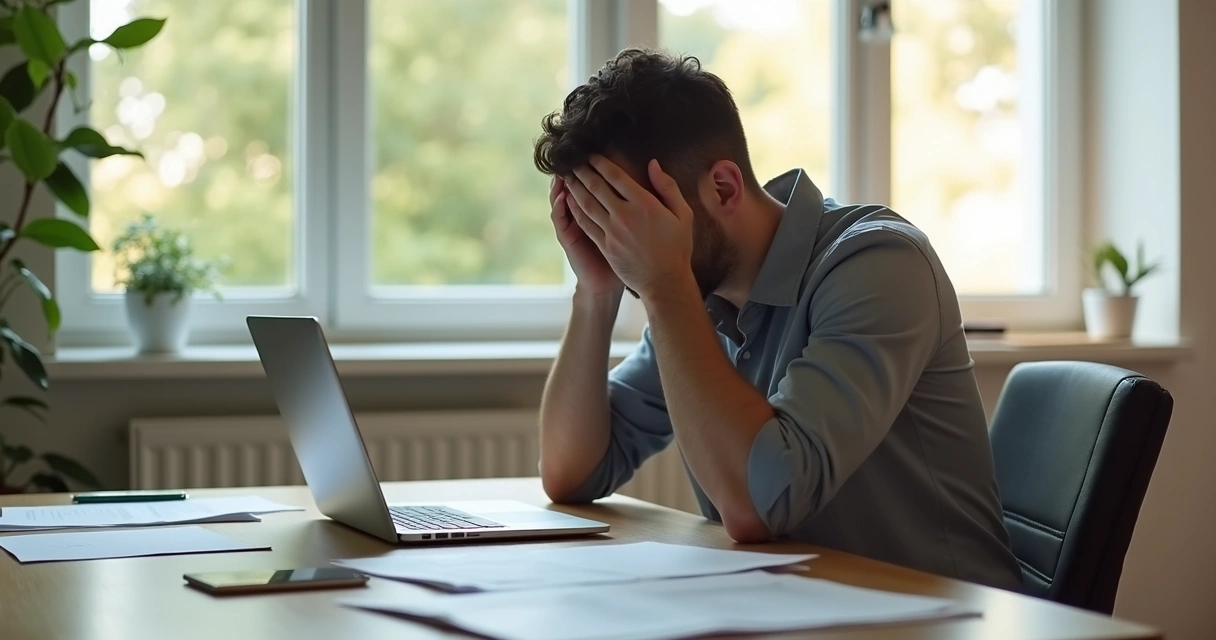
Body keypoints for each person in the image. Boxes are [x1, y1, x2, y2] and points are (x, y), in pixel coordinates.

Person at [531, 48, 1022, 590]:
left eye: (633, 217)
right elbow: (570, 473)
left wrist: (664, 288)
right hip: (797, 607)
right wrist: (595, 289)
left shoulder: (880, 264)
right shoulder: (700, 300)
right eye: (603, 222)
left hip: (942, 618)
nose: (623, 245)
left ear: (722, 188)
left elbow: (760, 506)